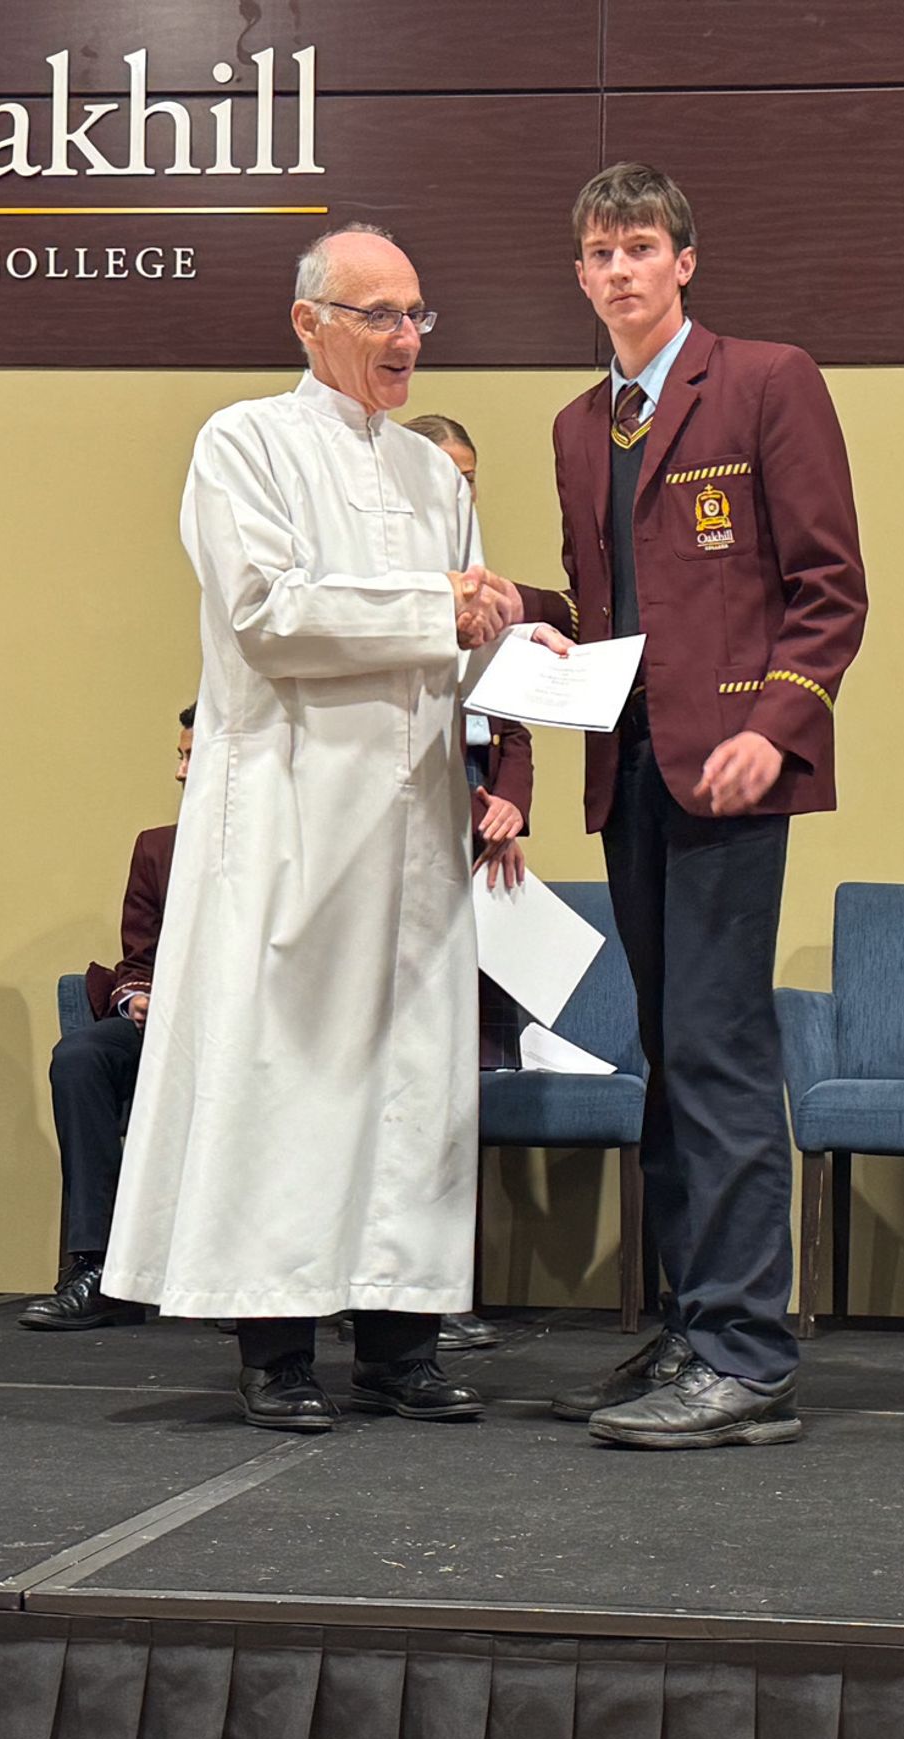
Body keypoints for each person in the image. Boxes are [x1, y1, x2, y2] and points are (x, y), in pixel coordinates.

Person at [101, 226, 567, 1433]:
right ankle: (276, 1348)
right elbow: (265, 614)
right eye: (380, 316)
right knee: (289, 1076)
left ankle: (402, 1343)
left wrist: (524, 649)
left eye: (418, 315)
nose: (407, 339)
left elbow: (458, 646)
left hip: (413, 823)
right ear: (309, 323)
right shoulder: (244, 441)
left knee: (416, 1080)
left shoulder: (431, 475)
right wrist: (436, 606)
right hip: (293, 818)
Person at [488, 163, 868, 1449]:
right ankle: (691, 1327)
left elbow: (830, 590)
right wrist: (526, 612)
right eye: (598, 254)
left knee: (719, 1049)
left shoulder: (767, 381)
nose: (619, 272)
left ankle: (747, 1356)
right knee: (668, 1056)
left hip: (729, 768)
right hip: (628, 767)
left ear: (684, 261)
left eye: (640, 247)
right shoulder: (576, 426)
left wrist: (777, 728)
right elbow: (610, 610)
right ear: (579, 275)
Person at [404, 412, 531, 1353]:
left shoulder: (483, 583)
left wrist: (508, 804)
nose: (462, 491)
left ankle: (439, 1291)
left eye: (472, 478)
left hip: (474, 844)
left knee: (459, 1079)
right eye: (447, 474)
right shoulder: (392, 580)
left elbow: (508, 714)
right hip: (392, 838)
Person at [20, 704, 193, 1331]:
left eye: (193, 757)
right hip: (170, 1027)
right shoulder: (158, 848)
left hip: (260, 1033)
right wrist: (136, 999)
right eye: (179, 756)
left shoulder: (285, 845)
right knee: (81, 1056)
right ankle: (100, 1270)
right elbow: (138, 959)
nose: (179, 772)